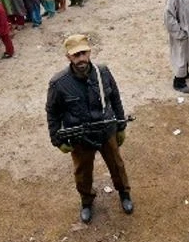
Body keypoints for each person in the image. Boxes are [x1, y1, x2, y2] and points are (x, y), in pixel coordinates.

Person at [45, 34, 132, 224]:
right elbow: (52, 112)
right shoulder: (58, 83)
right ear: (68, 57)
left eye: (83, 53)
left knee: (117, 165)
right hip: (80, 137)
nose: (81, 59)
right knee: (82, 173)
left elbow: (115, 98)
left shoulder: (103, 73)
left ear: (90, 52)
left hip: (106, 130)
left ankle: (124, 193)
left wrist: (120, 125)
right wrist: (57, 140)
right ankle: (86, 201)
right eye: (76, 55)